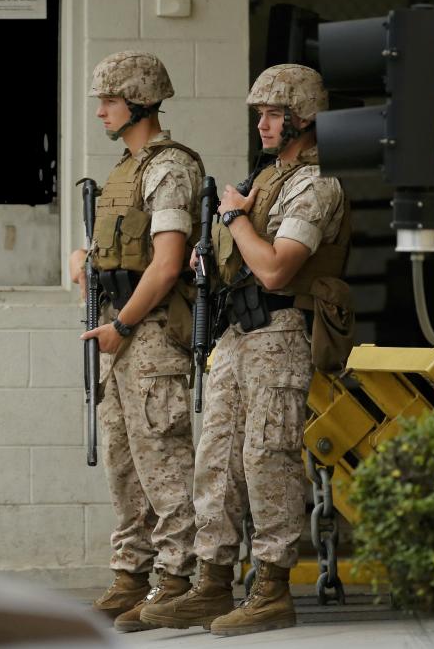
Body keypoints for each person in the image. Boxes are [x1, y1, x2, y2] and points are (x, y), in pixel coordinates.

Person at [140, 63, 351, 636]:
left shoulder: (316, 183)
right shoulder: (269, 180)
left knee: (267, 456)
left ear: (303, 119)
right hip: (240, 332)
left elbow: (278, 269)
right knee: (217, 455)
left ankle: (271, 587)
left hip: (282, 332)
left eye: (273, 113)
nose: (262, 123)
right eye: (259, 113)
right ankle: (212, 582)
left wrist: (233, 218)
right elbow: (241, 258)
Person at [68, 50, 204, 633]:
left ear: (139, 102)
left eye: (109, 100)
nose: (100, 111)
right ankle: (132, 573)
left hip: (148, 335)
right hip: (120, 330)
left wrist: (122, 326)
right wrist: (84, 262)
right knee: (123, 463)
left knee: (164, 461)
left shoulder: (167, 168)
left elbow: (168, 262)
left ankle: (177, 579)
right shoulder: (127, 167)